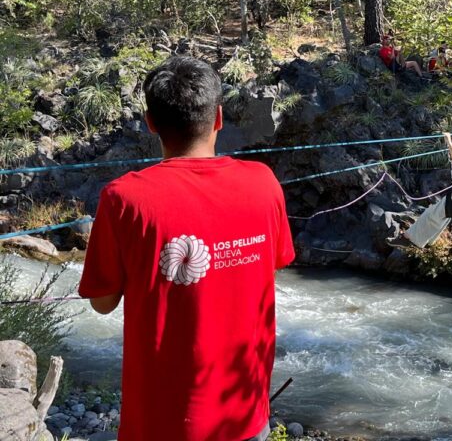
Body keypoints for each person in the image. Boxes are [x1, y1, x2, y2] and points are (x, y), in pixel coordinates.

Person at [79, 56, 295, 441]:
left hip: (162, 421)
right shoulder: (264, 183)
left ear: (150, 123)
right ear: (218, 118)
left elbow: (103, 301)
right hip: (245, 413)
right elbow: (270, 264)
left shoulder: (123, 199)